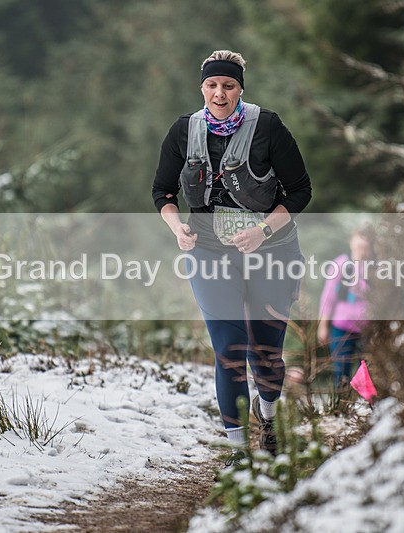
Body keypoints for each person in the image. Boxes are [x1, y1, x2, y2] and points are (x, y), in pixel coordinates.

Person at [152, 50, 312, 462]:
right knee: (228, 348)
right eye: (211, 85)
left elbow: (300, 191)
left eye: (228, 85)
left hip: (272, 249)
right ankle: (238, 450)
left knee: (266, 350)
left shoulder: (268, 127)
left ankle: (270, 415)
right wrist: (177, 230)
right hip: (207, 249)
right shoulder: (183, 131)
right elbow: (162, 193)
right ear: (201, 87)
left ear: (240, 89)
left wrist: (261, 231)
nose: (219, 93)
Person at [317, 227, 371, 393]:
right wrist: (323, 325)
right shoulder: (341, 263)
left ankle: (366, 408)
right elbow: (328, 297)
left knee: (368, 372)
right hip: (341, 327)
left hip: (368, 329)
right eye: (359, 237)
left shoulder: (377, 266)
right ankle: (340, 407)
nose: (362, 242)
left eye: (366, 238)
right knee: (341, 372)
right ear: (351, 241)